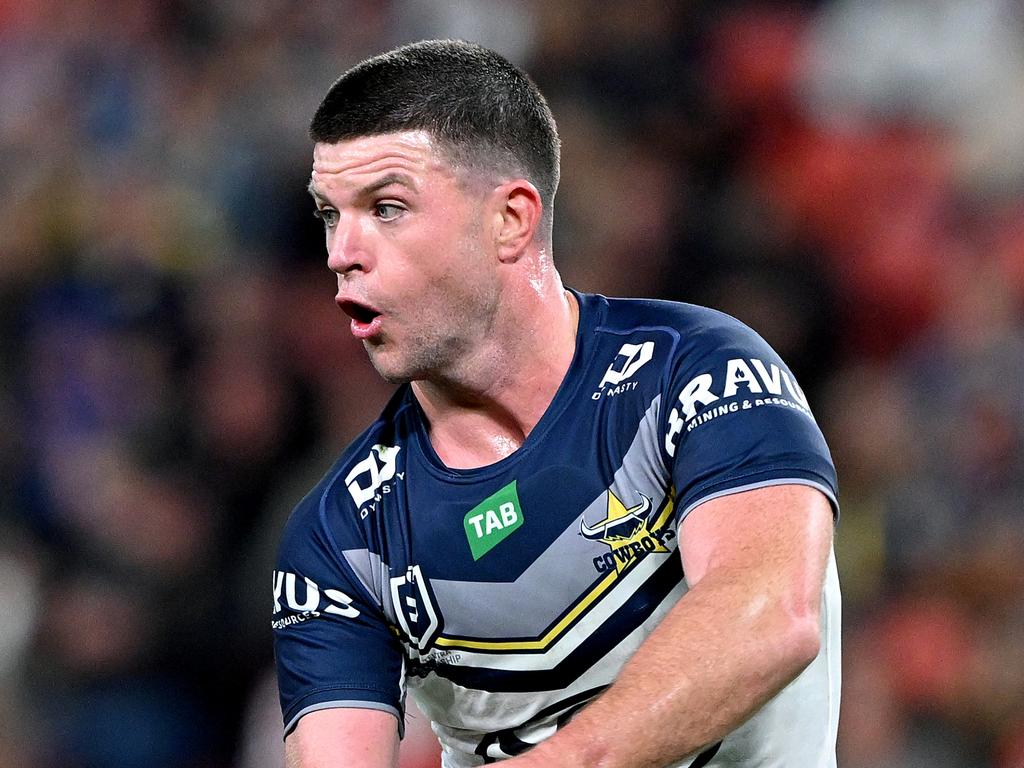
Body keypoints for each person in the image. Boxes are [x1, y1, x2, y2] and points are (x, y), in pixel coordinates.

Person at [272, 39, 840, 768]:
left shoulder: (698, 371)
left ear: (510, 219)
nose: (342, 251)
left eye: (386, 208)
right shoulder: (342, 536)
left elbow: (769, 617)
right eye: (330, 215)